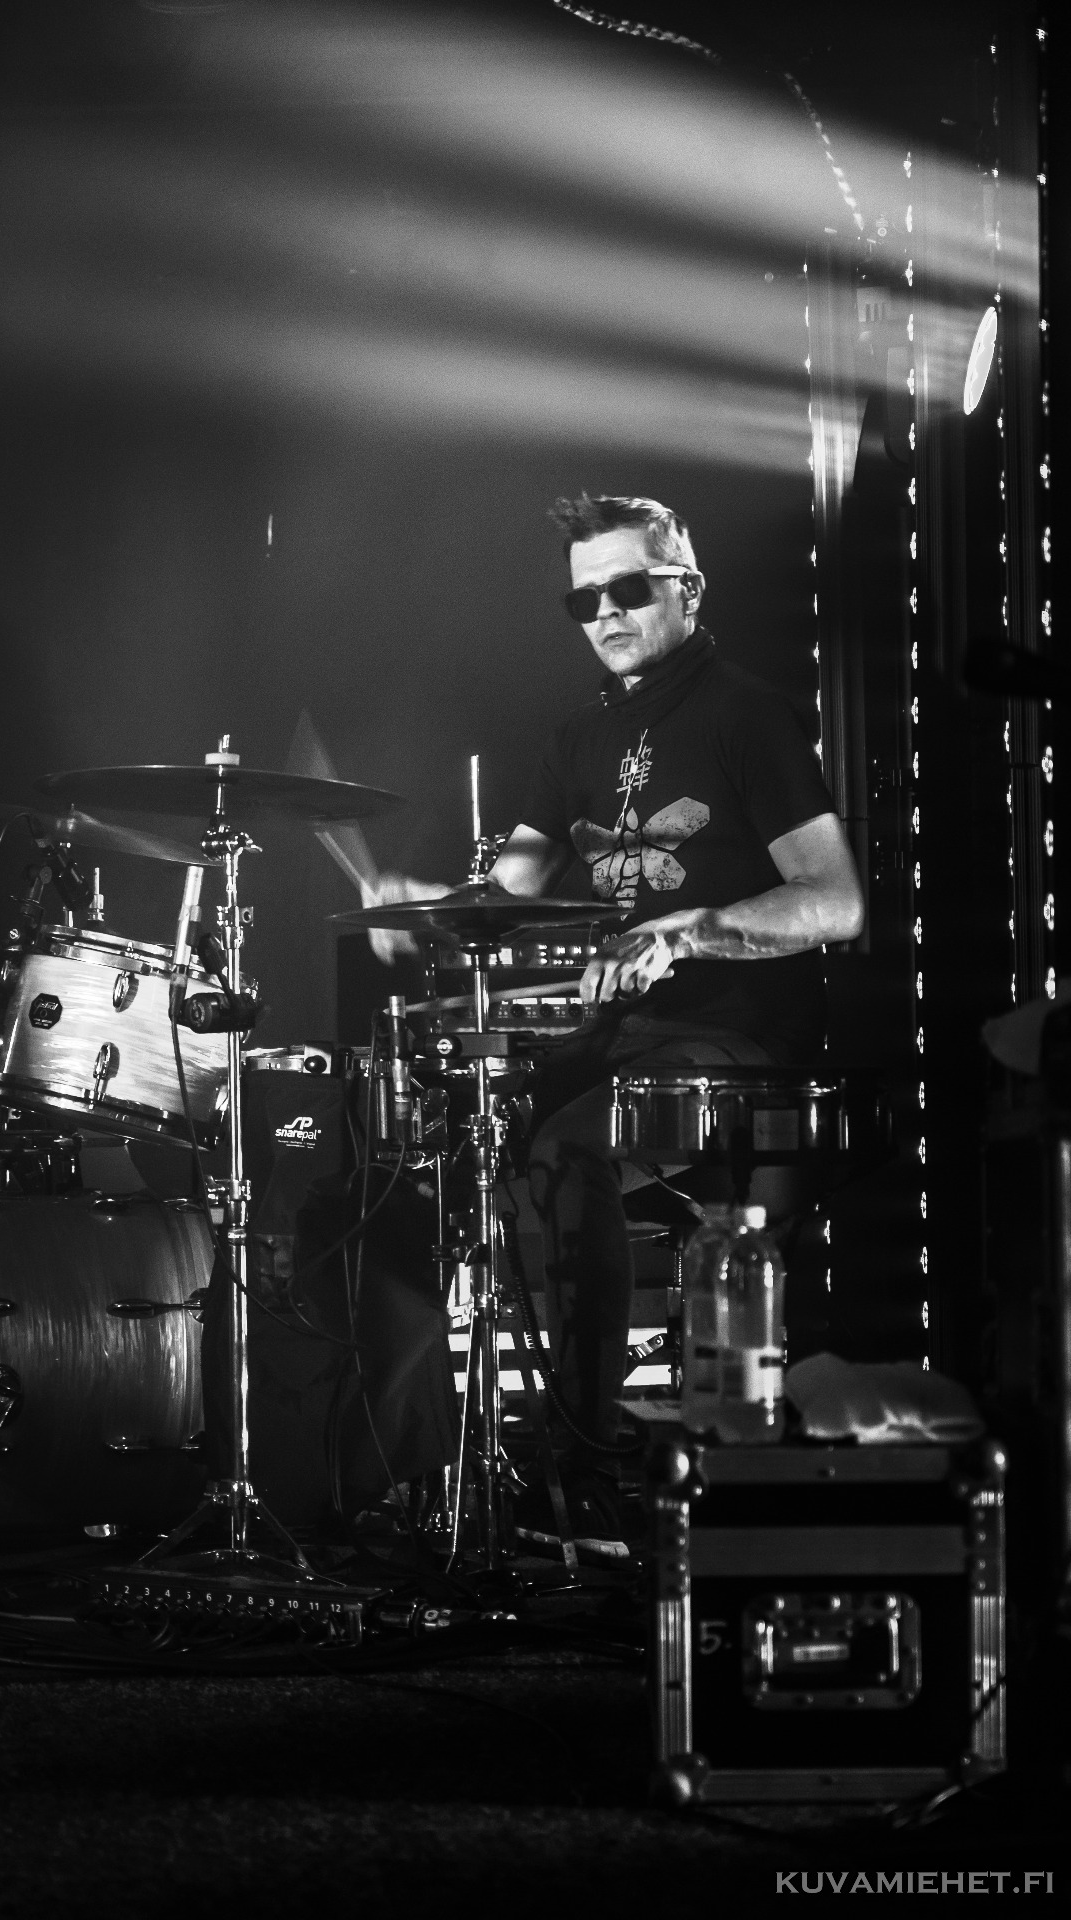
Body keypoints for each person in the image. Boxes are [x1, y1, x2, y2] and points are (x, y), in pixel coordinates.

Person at [366, 493, 864, 1556]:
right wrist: (416, 911)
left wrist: (689, 932)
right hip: (608, 1044)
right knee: (410, 1156)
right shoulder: (576, 737)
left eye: (628, 589)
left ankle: (584, 1465)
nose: (604, 613)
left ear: (687, 588)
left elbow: (833, 902)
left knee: (562, 1154)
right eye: (582, 599)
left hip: (734, 1044)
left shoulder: (747, 716)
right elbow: (507, 893)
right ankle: (411, 1479)